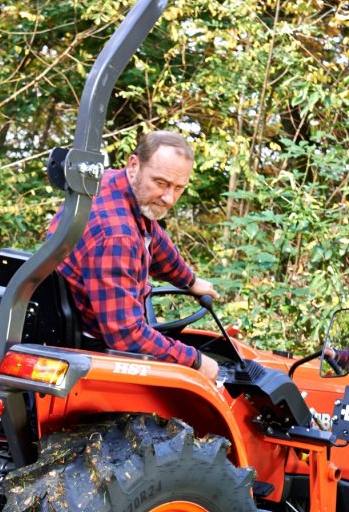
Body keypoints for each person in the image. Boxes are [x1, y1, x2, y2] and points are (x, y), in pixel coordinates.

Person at [53, 130, 222, 381]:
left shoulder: (115, 186)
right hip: (95, 350)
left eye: (179, 188)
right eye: (161, 183)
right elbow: (126, 336)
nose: (169, 198)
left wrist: (190, 281)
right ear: (134, 165)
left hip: (92, 323)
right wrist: (196, 361)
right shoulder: (116, 236)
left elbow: (154, 240)